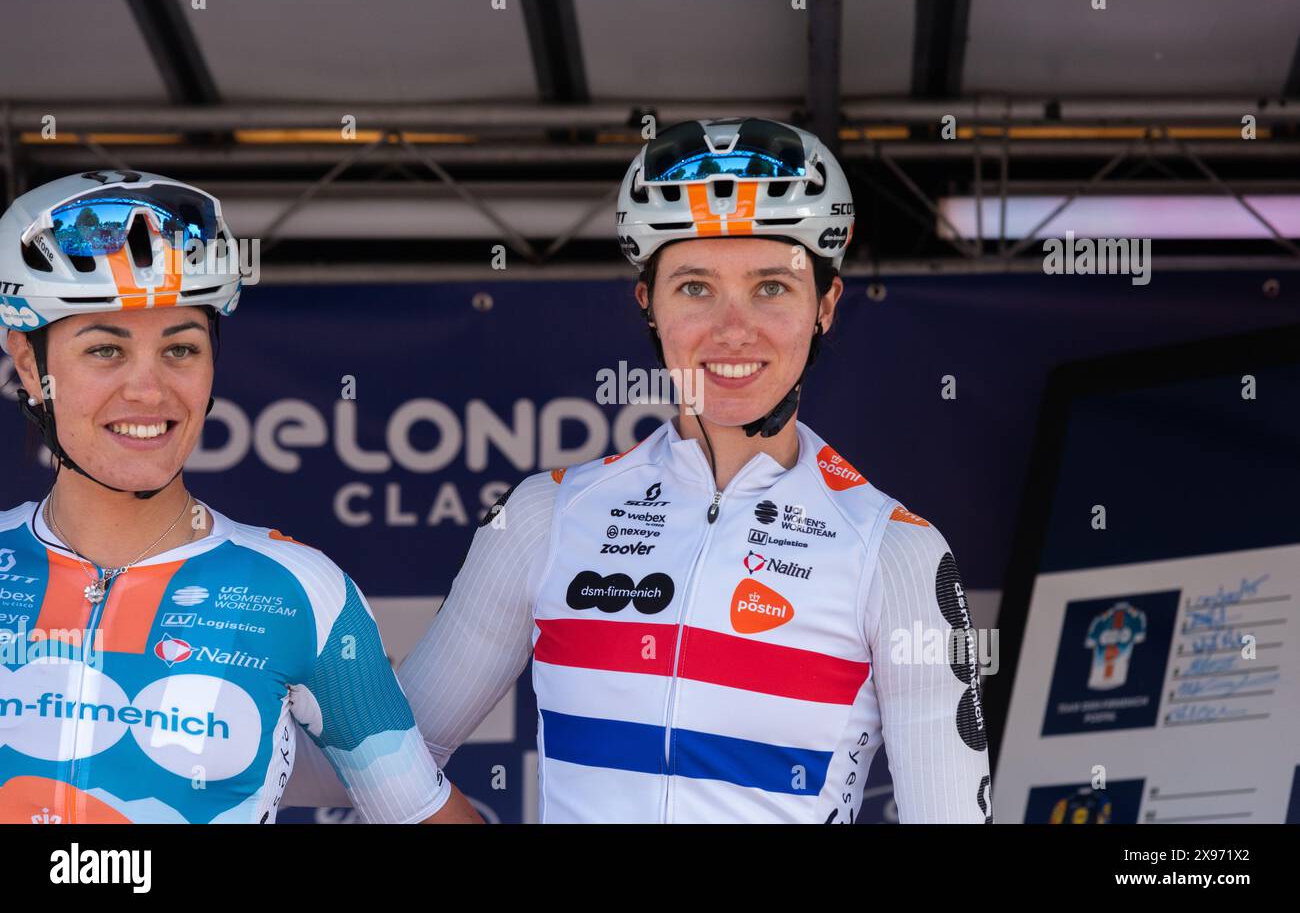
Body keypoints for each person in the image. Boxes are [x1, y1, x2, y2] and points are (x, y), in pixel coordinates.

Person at [292, 119, 994, 822]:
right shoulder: (544, 518)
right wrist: (214, 708)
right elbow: (377, 765)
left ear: (826, 307)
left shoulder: (895, 552)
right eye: (694, 287)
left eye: (772, 287)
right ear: (647, 306)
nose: (732, 329)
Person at [0, 170, 479, 823]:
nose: (148, 390)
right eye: (106, 349)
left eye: (181, 349)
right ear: (29, 364)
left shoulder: (299, 591)